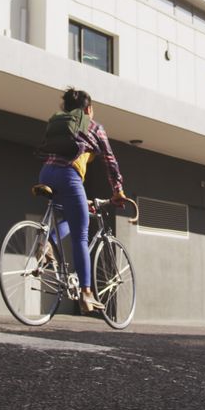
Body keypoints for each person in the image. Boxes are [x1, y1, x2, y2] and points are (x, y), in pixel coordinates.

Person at [38, 88, 127, 313]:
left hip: (46, 173)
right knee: (81, 235)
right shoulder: (94, 127)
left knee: (72, 214)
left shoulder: (59, 123)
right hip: (69, 177)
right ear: (88, 109)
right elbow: (110, 161)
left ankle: (47, 243)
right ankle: (86, 294)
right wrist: (118, 190)